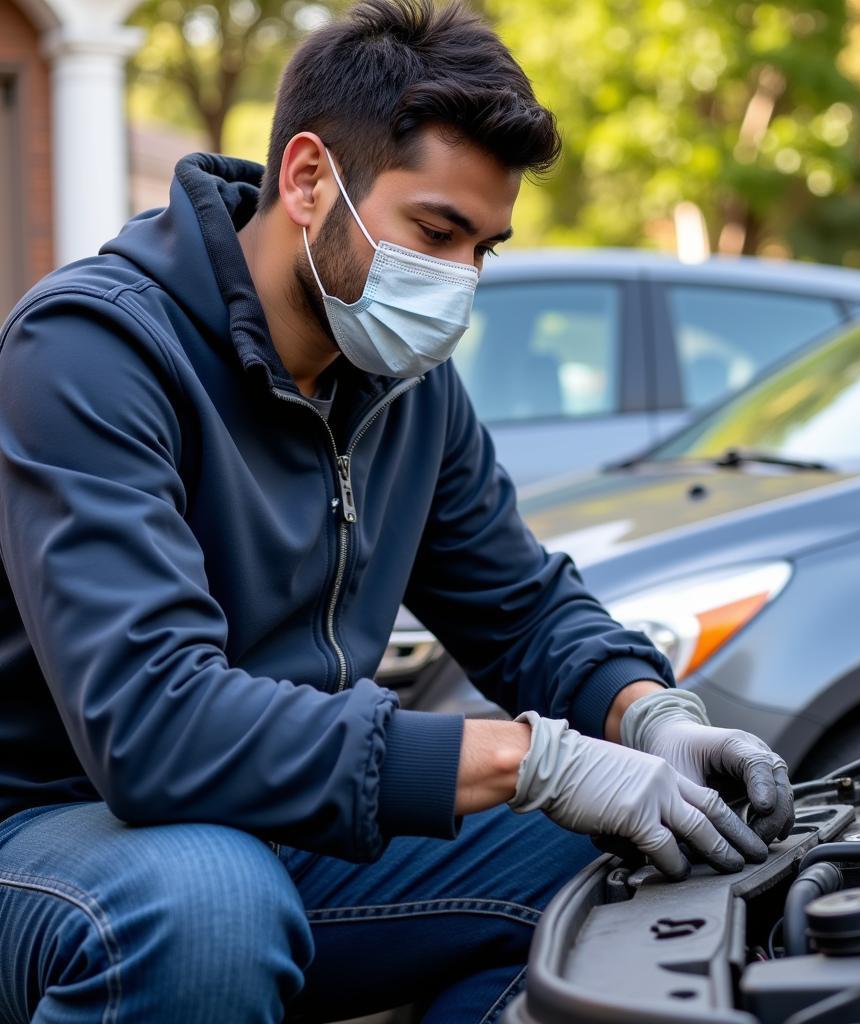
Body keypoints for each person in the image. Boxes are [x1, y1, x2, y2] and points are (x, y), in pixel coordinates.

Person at [0, 1, 794, 1021]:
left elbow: (520, 606)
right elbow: (155, 727)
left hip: (273, 814)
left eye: (486, 249)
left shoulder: (400, 385)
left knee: (648, 859)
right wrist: (531, 759)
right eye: (436, 231)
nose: (459, 282)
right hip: (56, 830)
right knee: (205, 908)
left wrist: (648, 715)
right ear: (306, 179)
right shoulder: (89, 353)